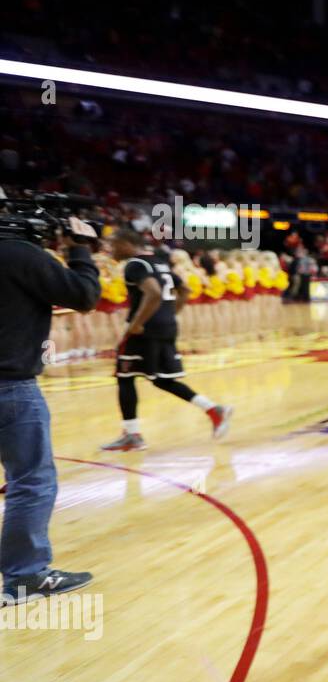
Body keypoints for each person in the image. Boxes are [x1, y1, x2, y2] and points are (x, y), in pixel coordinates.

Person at [1, 216, 101, 604]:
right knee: (31, 480)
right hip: (10, 384)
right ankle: (24, 576)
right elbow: (84, 295)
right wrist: (80, 249)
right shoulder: (20, 254)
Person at [99, 229, 233, 452]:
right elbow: (185, 290)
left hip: (145, 330)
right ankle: (213, 409)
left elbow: (153, 293)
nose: (109, 249)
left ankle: (132, 435)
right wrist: (169, 314)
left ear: (126, 243)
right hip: (166, 327)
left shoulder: (135, 265)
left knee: (125, 376)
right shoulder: (159, 262)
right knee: (162, 379)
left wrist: (137, 323)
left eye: (112, 244)